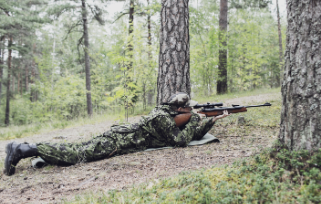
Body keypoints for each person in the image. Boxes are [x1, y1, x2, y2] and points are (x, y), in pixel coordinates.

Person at [4, 92, 230, 176]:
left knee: (77, 149)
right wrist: (197, 118)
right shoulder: (162, 118)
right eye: (189, 109)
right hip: (117, 140)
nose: (191, 111)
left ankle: (26, 146)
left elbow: (189, 134)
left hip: (118, 137)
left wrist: (211, 120)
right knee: (78, 156)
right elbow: (180, 141)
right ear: (180, 109)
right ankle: (24, 149)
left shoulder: (167, 113)